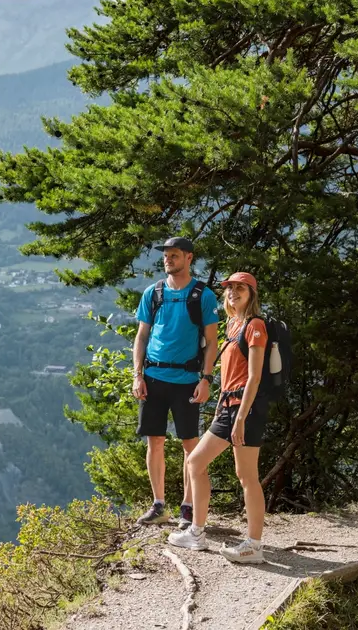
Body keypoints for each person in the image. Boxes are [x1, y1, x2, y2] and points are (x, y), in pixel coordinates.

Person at [167, 271, 268, 563]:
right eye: (230, 289)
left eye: (240, 289)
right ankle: (197, 532)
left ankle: (253, 545)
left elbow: (255, 377)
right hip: (229, 406)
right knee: (198, 462)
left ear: (251, 294)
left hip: (243, 409)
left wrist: (240, 418)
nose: (233, 293)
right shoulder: (233, 324)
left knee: (246, 475)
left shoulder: (255, 325)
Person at [133, 236, 219, 527]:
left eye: (174, 255)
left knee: (189, 445)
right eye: (166, 255)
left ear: (189, 258)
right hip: (153, 377)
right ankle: (158, 504)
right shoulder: (154, 293)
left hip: (186, 379)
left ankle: (188, 507)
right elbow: (142, 336)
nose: (168, 260)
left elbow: (211, 342)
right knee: (154, 441)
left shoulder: (202, 295)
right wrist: (137, 375)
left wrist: (206, 379)